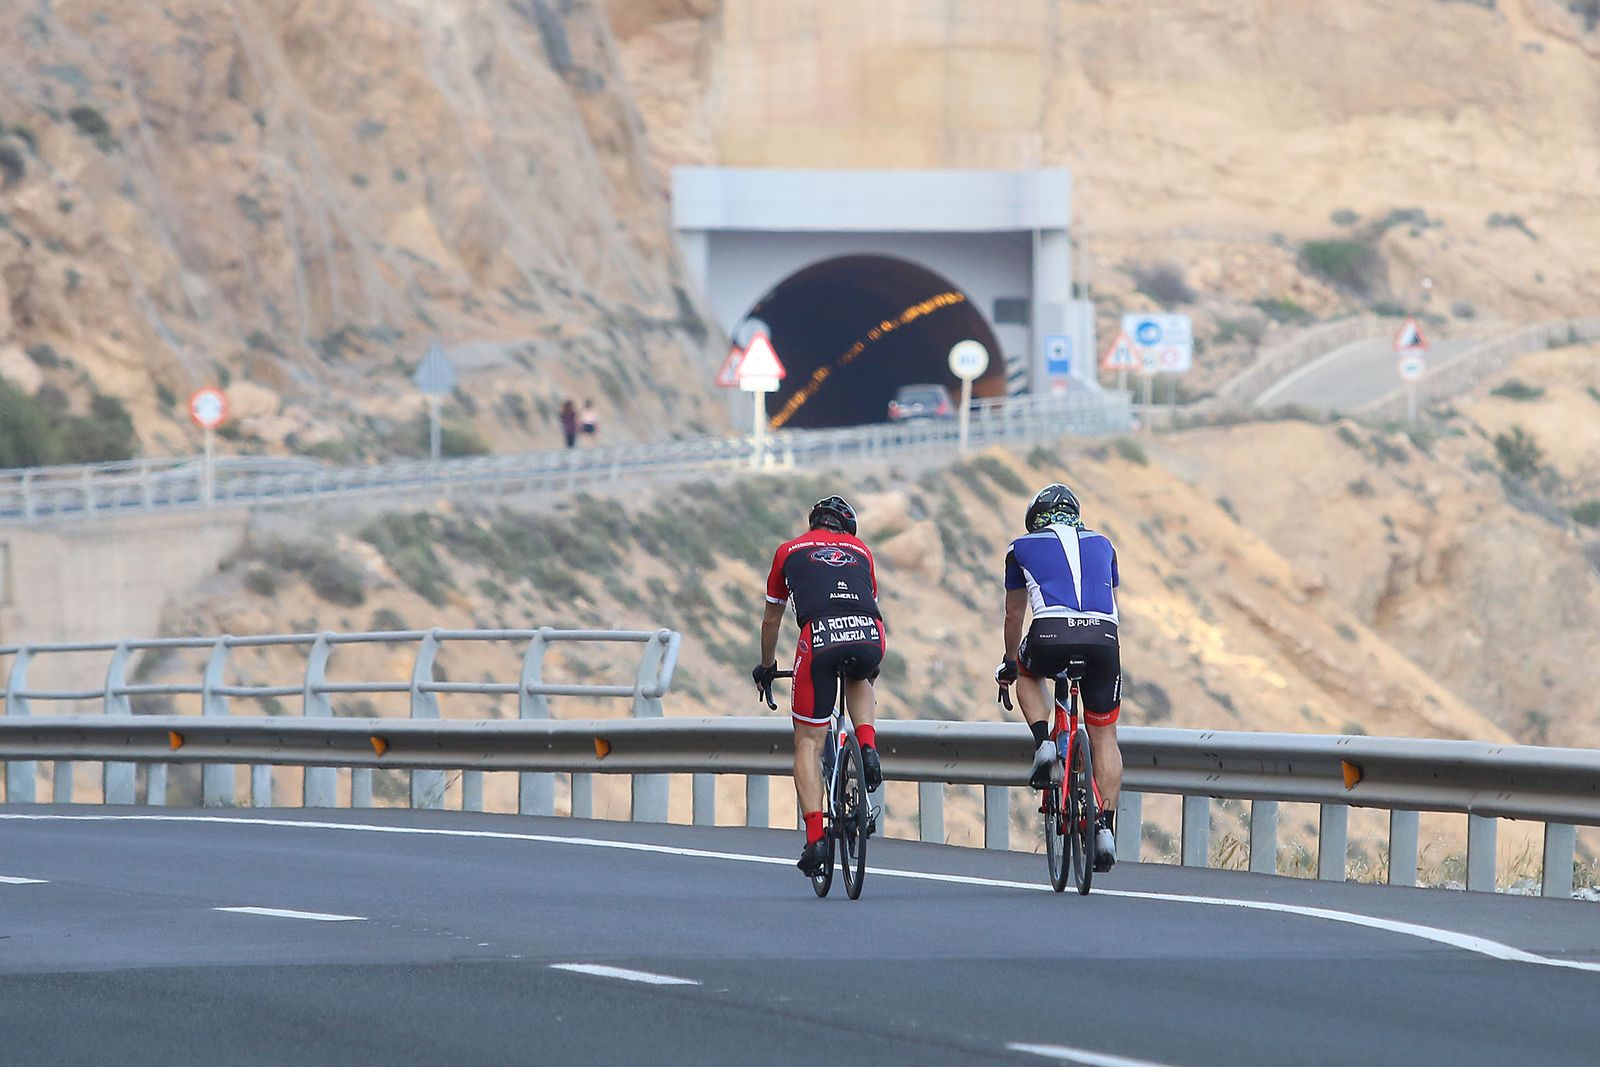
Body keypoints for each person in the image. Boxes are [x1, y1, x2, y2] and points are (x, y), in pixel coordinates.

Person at [752, 495, 886, 877]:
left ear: (814, 523)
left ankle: (815, 840)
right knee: (861, 675)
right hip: (870, 633)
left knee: (808, 742)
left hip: (820, 636)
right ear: (847, 527)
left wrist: (767, 666)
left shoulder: (788, 551)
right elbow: (868, 601)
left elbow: (770, 621)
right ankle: (869, 747)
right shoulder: (862, 550)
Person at [994, 483, 1124, 872]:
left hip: (1050, 634)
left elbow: (1014, 615)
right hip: (1103, 638)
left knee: (1027, 672)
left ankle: (1045, 746)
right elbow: (1109, 596)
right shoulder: (1104, 544)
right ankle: (1104, 829)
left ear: (1035, 520)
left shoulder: (1021, 547)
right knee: (1104, 736)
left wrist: (1009, 662)